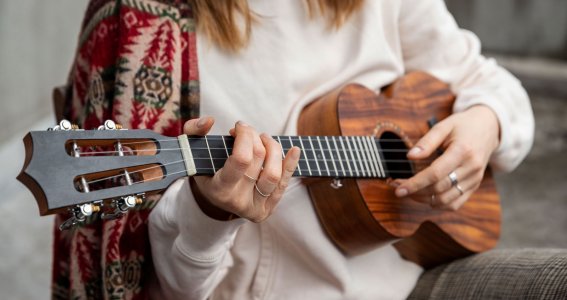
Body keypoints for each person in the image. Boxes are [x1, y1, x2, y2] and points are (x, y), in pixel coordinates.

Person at [52, 0, 534, 299]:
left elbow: (486, 80)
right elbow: (151, 287)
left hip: (408, 278)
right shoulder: (150, 23)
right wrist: (208, 213)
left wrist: (484, 123)